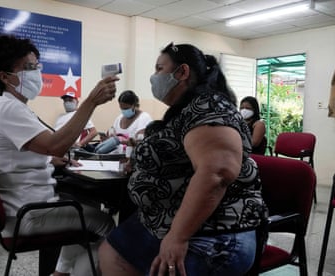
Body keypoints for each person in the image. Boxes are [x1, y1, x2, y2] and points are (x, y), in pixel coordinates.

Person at [98, 42, 268, 276]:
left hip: (211, 231)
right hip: (165, 221)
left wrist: (178, 236)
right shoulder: (184, 110)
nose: (154, 77)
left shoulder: (210, 107)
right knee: (113, 250)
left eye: (159, 69)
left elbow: (218, 172)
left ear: (183, 72)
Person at [0, 33, 118, 275]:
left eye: (36, 66)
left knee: (85, 205)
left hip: (24, 207)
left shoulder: (12, 106)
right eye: (28, 67)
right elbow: (55, 144)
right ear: (4, 76)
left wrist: (49, 158)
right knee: (104, 224)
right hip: (27, 214)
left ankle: (61, 272)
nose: (36, 72)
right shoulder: (10, 109)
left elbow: (36, 150)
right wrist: (90, 102)